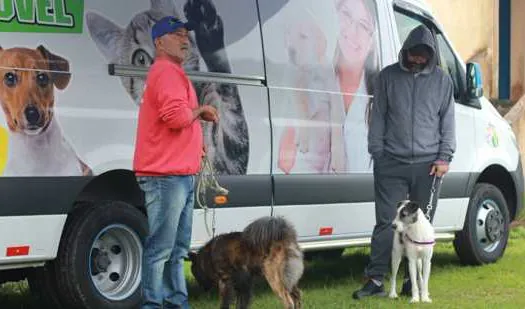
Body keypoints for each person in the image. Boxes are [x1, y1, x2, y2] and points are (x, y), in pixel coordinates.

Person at [352, 24, 456, 299]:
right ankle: (375, 279)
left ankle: (413, 284)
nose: (417, 60)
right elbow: (378, 116)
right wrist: (377, 152)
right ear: (406, 51)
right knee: (387, 222)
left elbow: (447, 122)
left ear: (431, 55)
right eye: (413, 54)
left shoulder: (443, 81)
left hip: (428, 165)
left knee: (421, 225)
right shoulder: (387, 77)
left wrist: (444, 157)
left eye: (423, 56)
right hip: (391, 163)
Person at [133, 16, 219, 309]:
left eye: (186, 34)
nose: (186, 40)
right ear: (159, 42)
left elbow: (175, 120)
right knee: (162, 248)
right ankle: (154, 304)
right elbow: (175, 118)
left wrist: (198, 147)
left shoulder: (171, 72)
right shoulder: (167, 73)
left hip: (176, 174)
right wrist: (202, 110)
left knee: (177, 248)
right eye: (177, 35)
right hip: (166, 176)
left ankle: (176, 302)